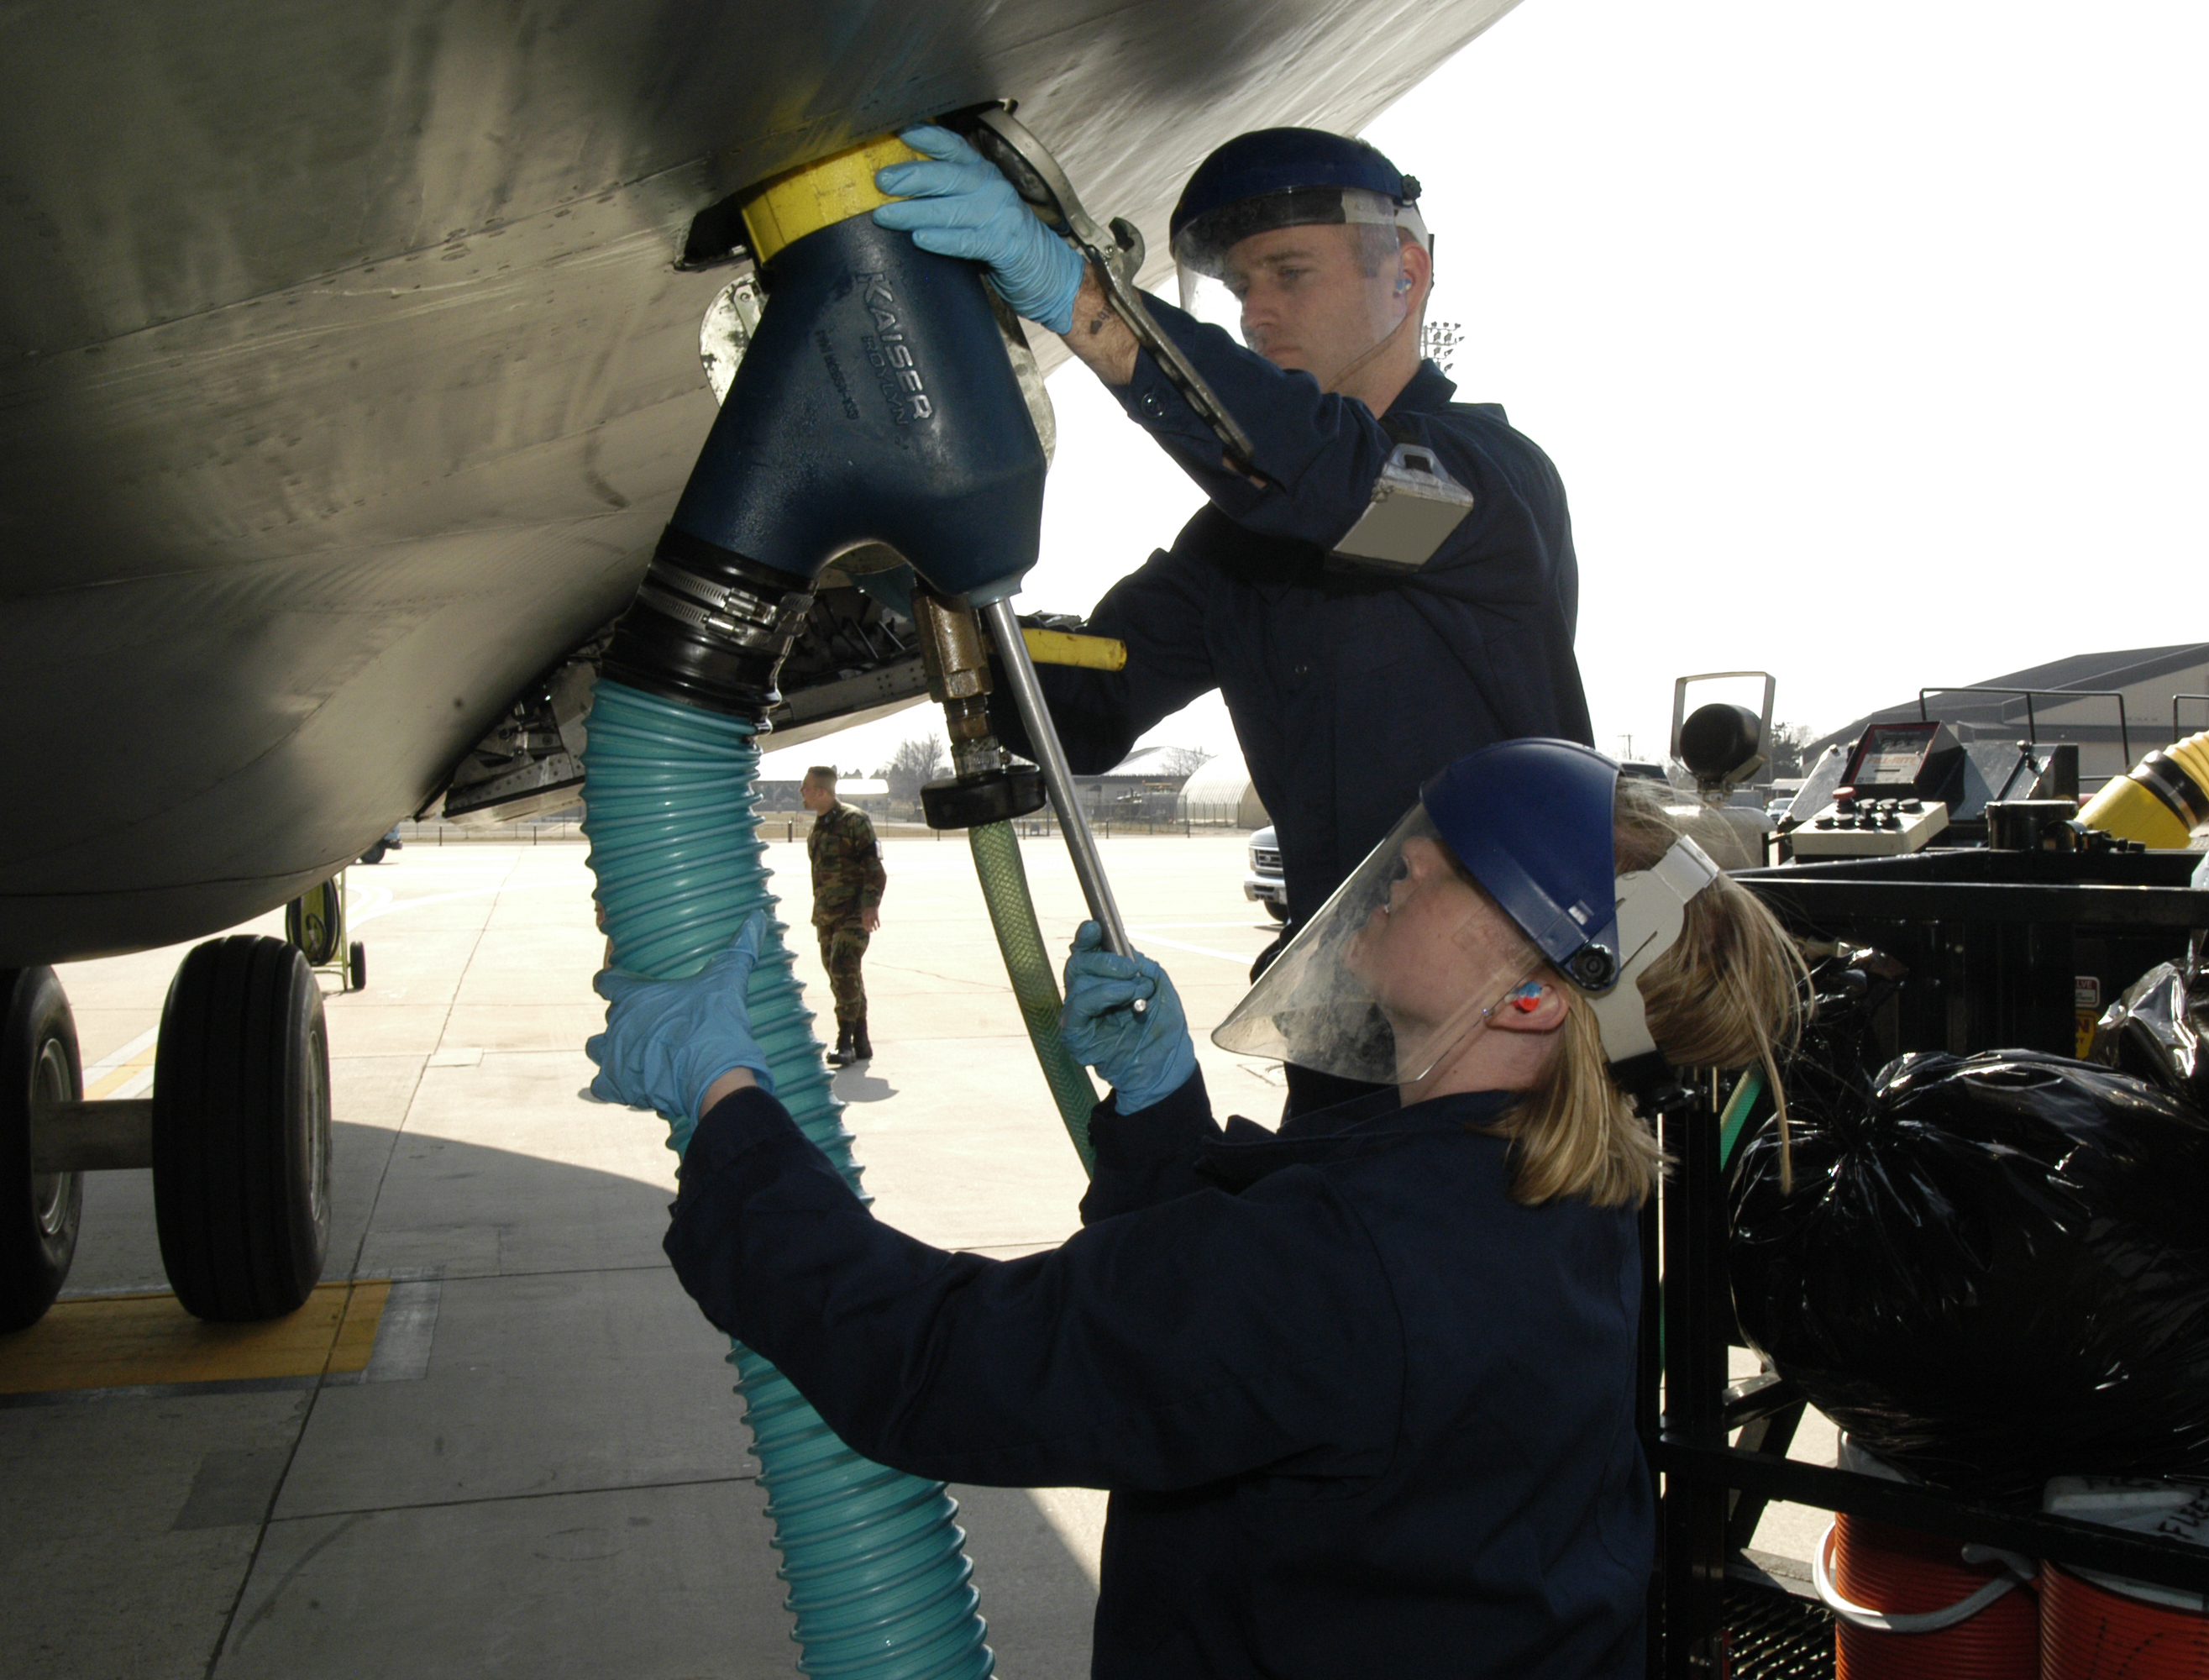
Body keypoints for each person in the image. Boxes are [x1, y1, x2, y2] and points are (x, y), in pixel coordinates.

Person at [585, 739, 1808, 1677]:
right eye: (1418, 843)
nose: (1398, 872)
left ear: (1538, 999)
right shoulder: (1560, 1188)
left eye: (1448, 873)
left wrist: (728, 1099)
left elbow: (944, 1362)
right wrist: (1164, 1104)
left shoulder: (1353, 1253)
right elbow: (1244, 1335)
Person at [870, 124, 1595, 1112]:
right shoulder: (1244, 542)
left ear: (1407, 273)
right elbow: (1091, 695)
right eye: (1239, 286)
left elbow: (1339, 486)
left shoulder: (1474, 490)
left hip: (1505, 1055)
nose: (1256, 312)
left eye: (1288, 273)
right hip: (1342, 1040)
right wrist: (915, 577)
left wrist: (1089, 308)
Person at [800, 765, 883, 1067]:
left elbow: (874, 866)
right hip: (826, 916)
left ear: (820, 791)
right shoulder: (820, 826)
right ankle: (861, 1039)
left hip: (852, 913)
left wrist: (870, 905)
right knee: (842, 978)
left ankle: (844, 1042)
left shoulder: (854, 821)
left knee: (843, 968)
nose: (801, 793)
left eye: (805, 787)